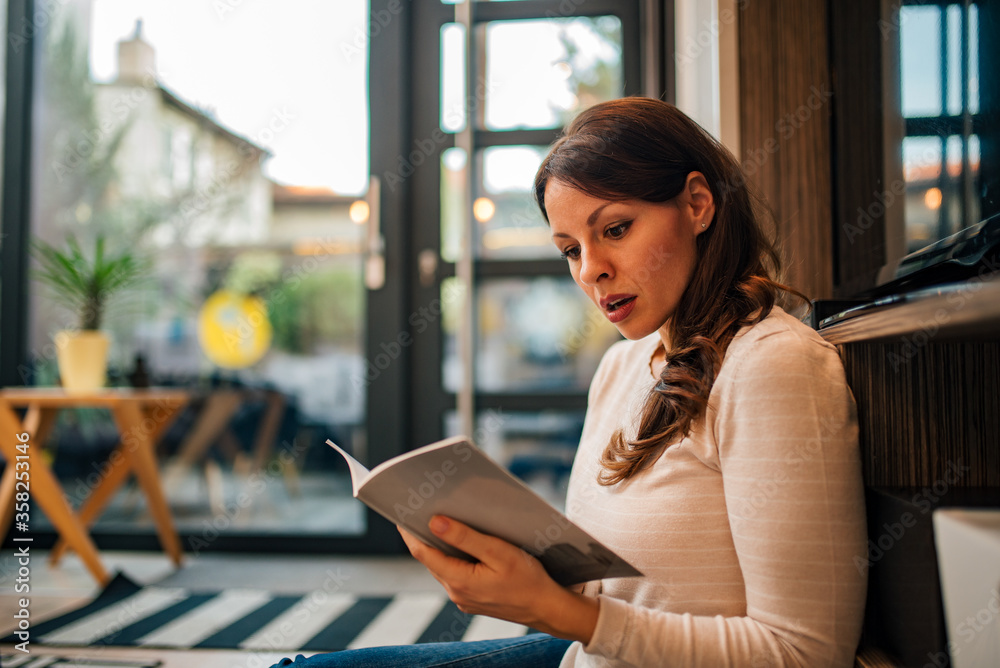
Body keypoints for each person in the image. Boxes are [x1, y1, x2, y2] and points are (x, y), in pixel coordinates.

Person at [270, 97, 867, 667]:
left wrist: (564, 614)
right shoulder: (623, 367)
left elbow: (805, 655)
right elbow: (613, 597)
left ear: (697, 204)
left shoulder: (774, 367)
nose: (591, 270)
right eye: (569, 249)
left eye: (614, 229)